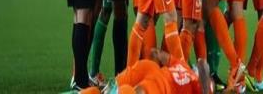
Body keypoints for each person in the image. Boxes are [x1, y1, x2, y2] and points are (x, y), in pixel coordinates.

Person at [81, 48, 213, 94]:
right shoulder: (198, 82)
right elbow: (203, 66)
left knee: (106, 90)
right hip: (160, 83)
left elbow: (157, 53)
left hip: (152, 72)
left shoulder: (183, 66)